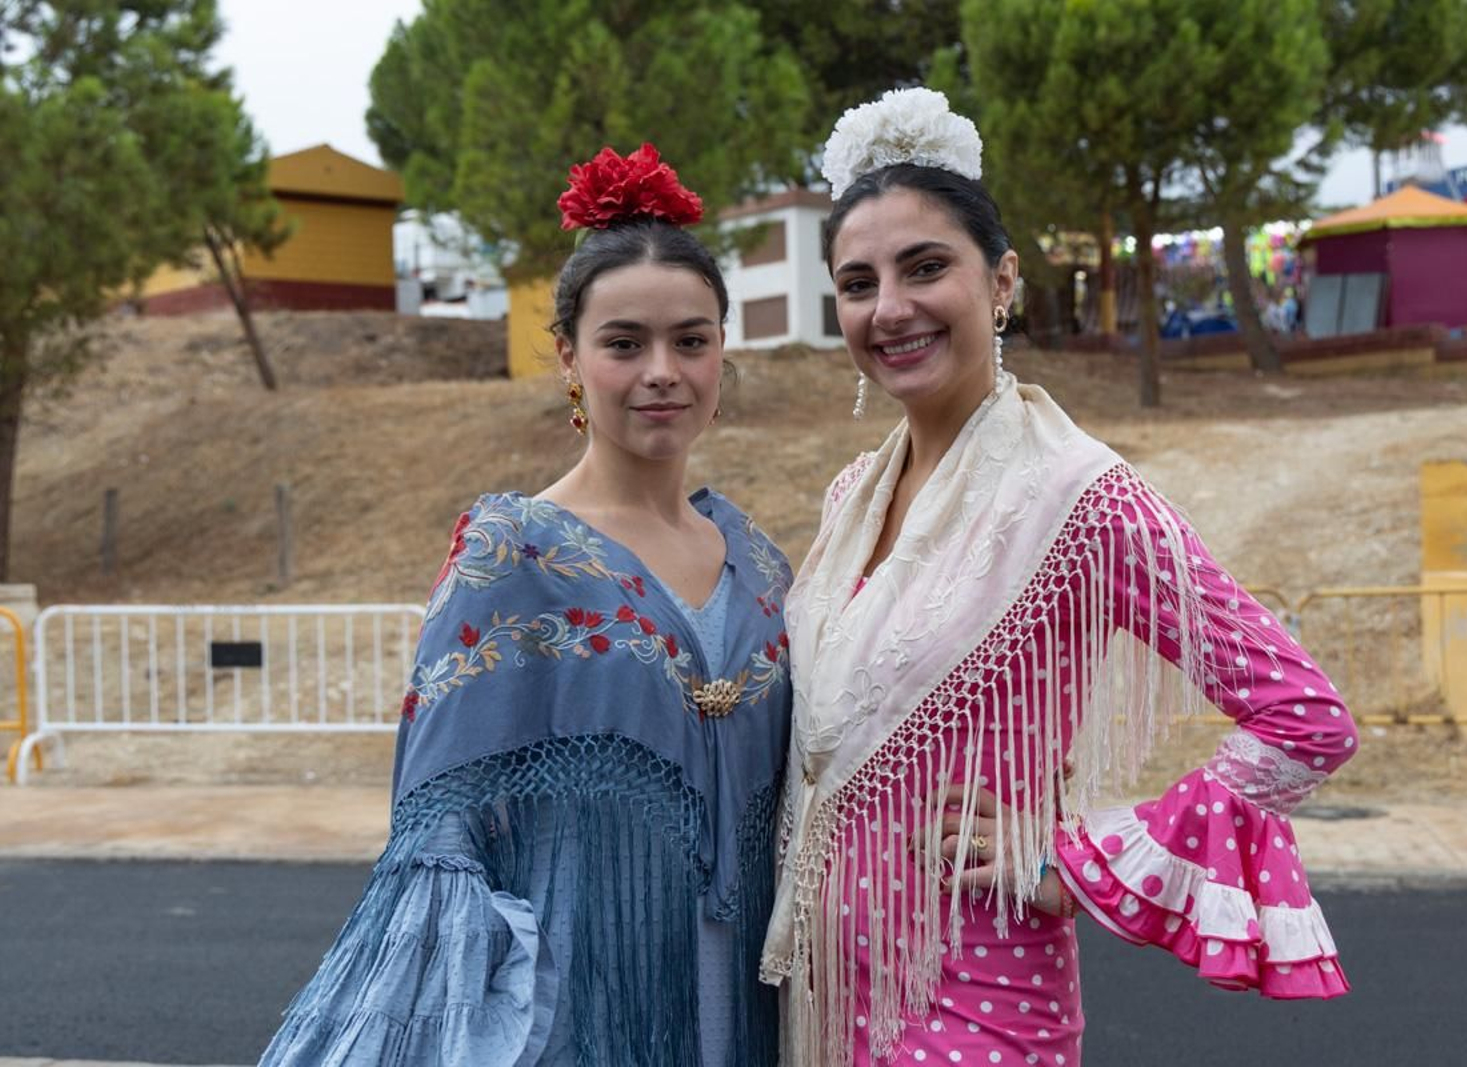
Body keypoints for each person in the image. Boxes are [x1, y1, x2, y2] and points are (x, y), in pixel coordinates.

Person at [760, 89, 1357, 1067]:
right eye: (858, 281)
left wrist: (1073, 859)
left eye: (924, 268)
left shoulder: (1079, 499)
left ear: (1000, 283)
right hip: (823, 1008)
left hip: (976, 1013)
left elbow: (1305, 717)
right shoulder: (848, 499)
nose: (890, 307)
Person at [260, 144, 792, 1066]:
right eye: (625, 343)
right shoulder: (510, 555)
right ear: (570, 360)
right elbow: (441, 833)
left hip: (749, 1011)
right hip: (578, 1013)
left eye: (691, 340)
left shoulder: (761, 563)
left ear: (721, 352)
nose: (662, 370)